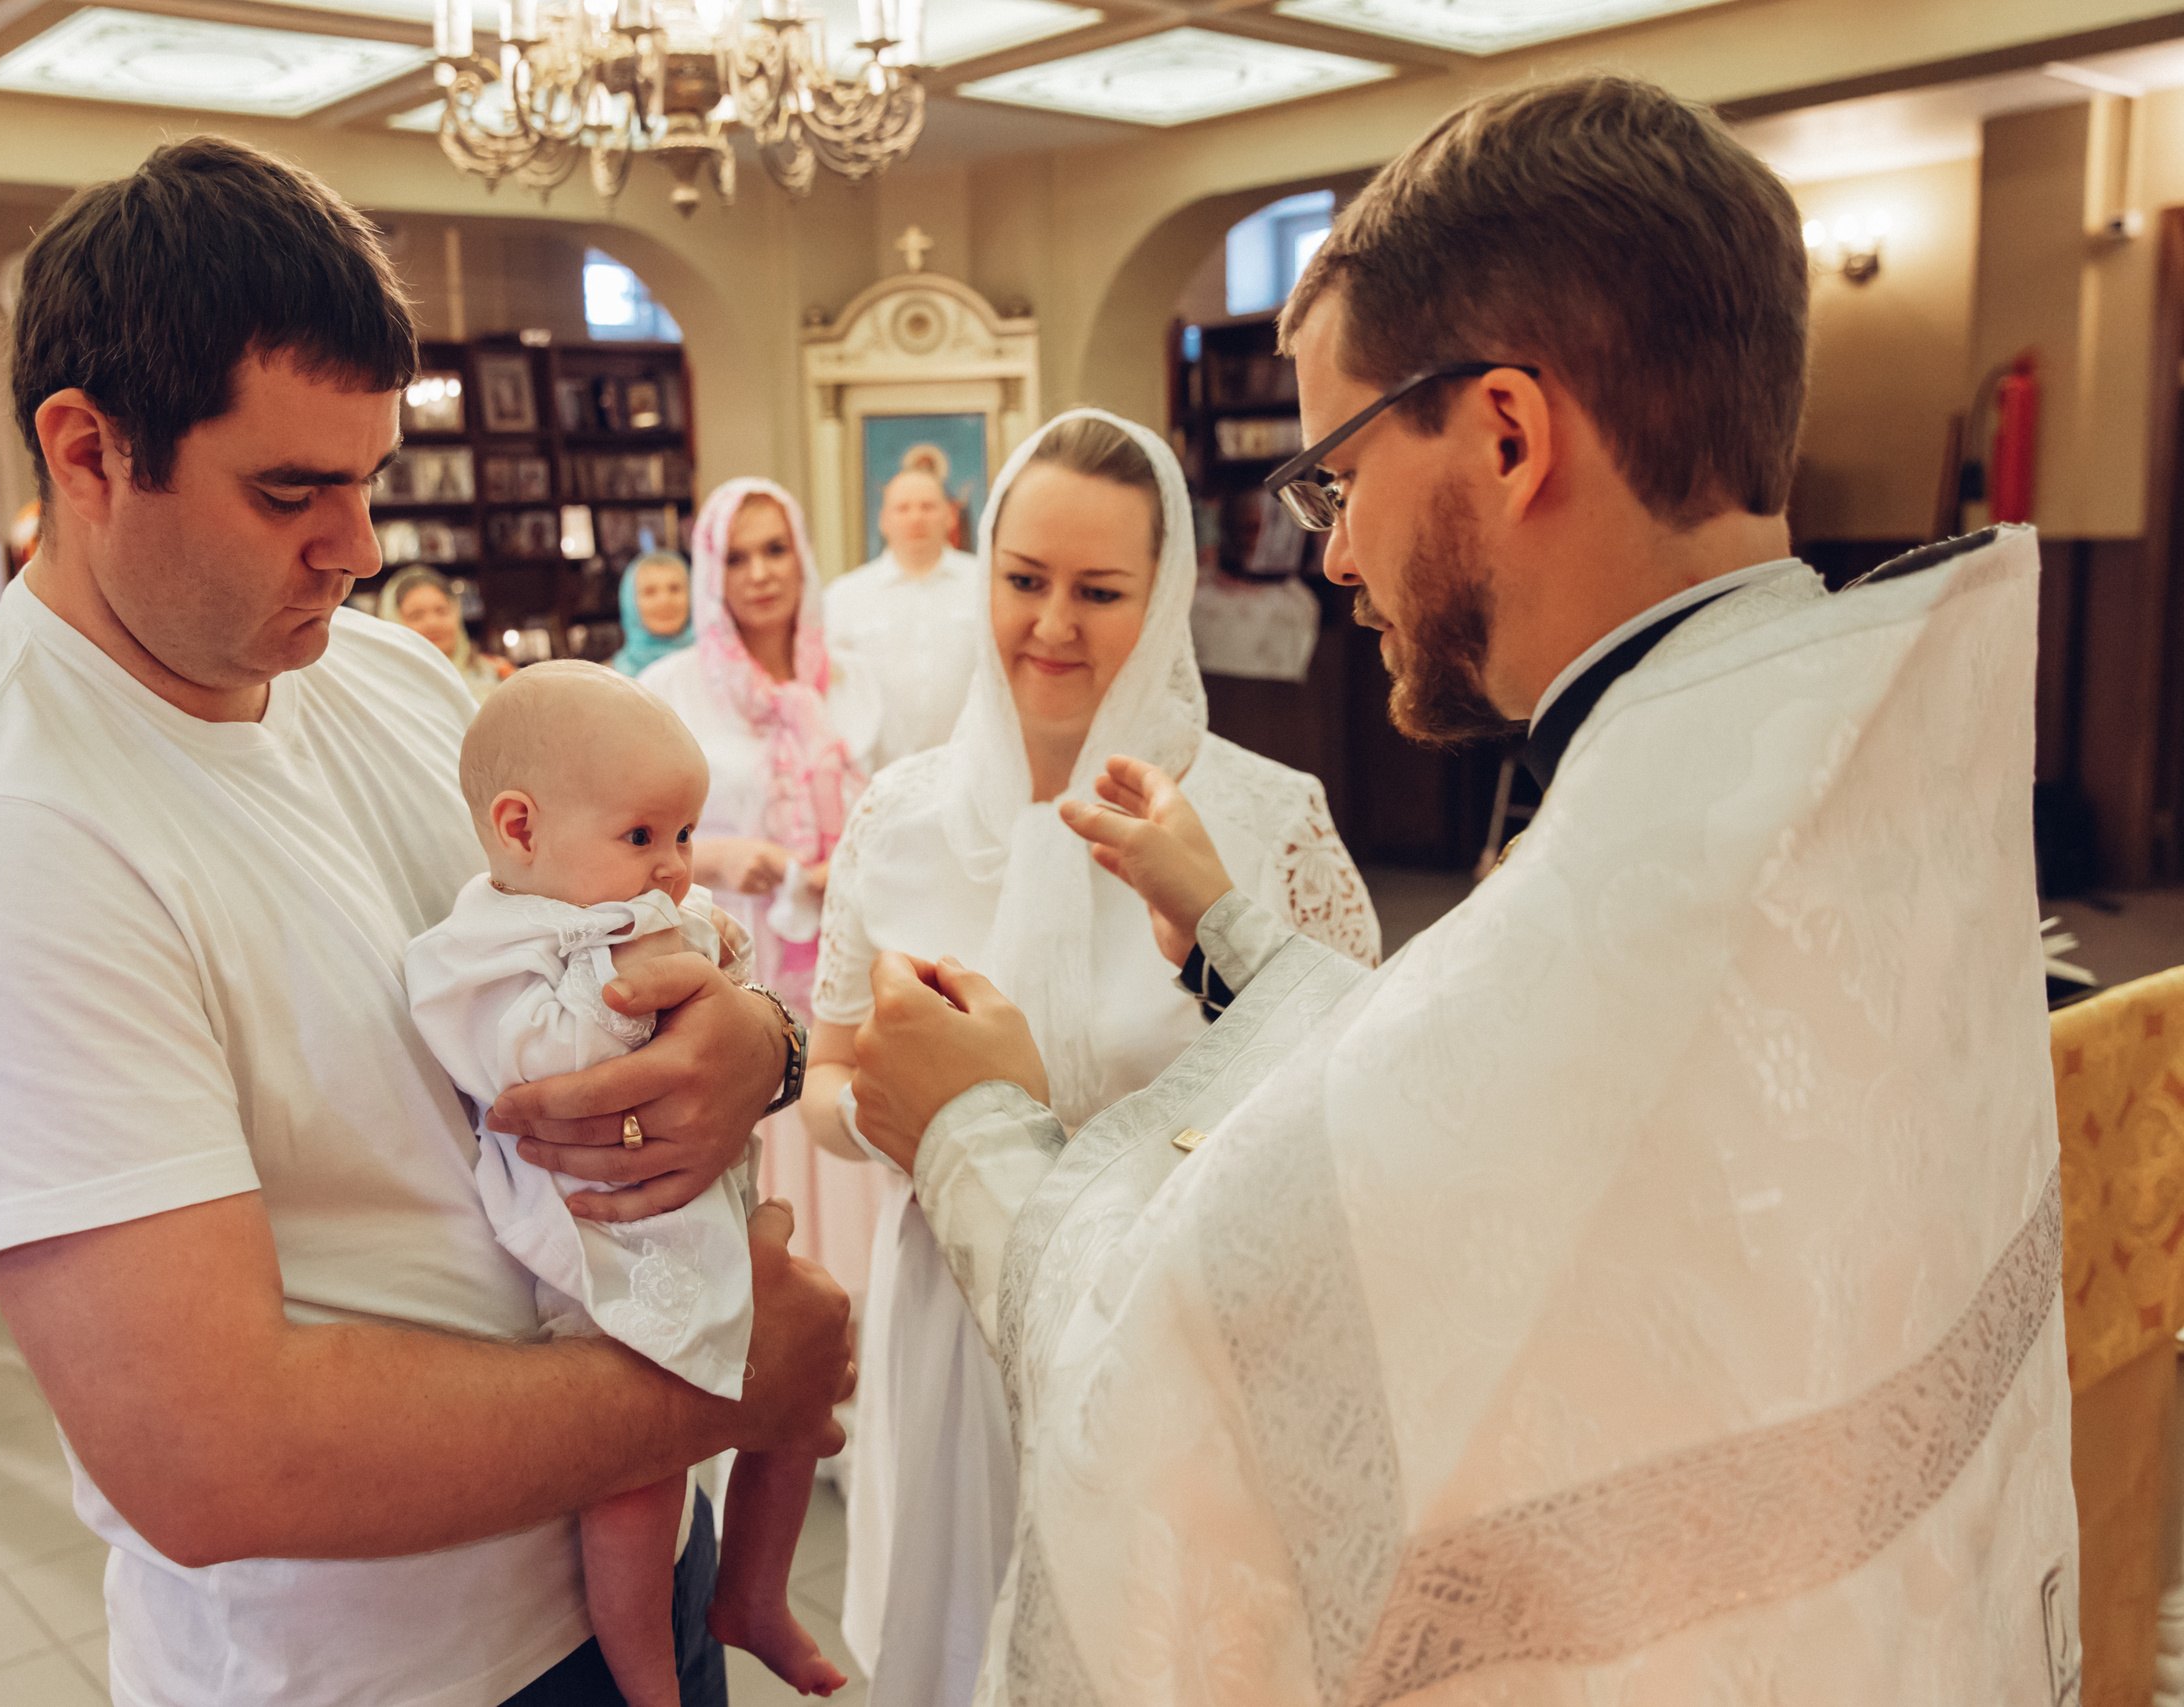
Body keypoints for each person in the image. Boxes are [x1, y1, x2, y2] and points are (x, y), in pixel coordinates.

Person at [848, 74, 2079, 1704]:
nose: (1336, 552)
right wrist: (1239, 940)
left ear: (1505, 432)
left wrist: (970, 1126)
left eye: (1341, 475)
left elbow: (1171, 1374)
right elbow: (1470, 1085)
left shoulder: (1643, 881)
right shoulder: (1827, 765)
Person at [0, 135, 850, 1707]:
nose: (360, 543)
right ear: (89, 450)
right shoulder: (6, 847)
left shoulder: (375, 672)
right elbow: (210, 1451)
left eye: (370, 475)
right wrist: (713, 1385)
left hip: (624, 1556)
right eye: (289, 489)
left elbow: (587, 944)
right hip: (387, 1668)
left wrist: (755, 1044)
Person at [800, 409, 1379, 1707]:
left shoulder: (1261, 819)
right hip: (952, 1325)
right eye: (1024, 579)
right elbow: (833, 1072)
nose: (1052, 624)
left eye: (1099, 590)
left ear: (1163, 593)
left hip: (1173, 1329)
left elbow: (1346, 1095)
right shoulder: (900, 816)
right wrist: (891, 1115)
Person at [406, 662, 845, 1706]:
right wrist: (653, 987)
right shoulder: (481, 949)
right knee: (637, 1478)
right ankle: (646, 1675)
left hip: (691, 1213)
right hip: (596, 1246)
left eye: (686, 838)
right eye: (644, 838)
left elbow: (724, 999)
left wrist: (719, 978)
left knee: (796, 1400)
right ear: (520, 829)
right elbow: (526, 1061)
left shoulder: (622, 909)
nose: (673, 869)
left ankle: (753, 1590)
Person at [639, 480, 881, 1300]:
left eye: (776, 549)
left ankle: (852, 1305)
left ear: (803, 557)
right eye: (736, 556)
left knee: (840, 1112)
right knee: (757, 1132)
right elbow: (618, 829)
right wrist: (714, 858)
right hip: (731, 949)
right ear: (710, 571)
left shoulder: (851, 681)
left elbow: (898, 806)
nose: (760, 573)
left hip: (842, 943)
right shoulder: (672, 689)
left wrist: (844, 858)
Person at [822, 468, 984, 770]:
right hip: (875, 775)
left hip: (970, 768)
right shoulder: (844, 596)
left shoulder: (986, 585)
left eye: (927, 506)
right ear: (883, 520)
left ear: (949, 516)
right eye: (903, 508)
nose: (916, 518)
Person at [379, 563, 511, 701]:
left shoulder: (499, 675)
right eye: (416, 615)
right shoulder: (384, 689)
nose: (433, 623)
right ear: (393, 622)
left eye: (441, 611)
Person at [610, 550, 694, 679]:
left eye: (674, 588)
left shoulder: (718, 666)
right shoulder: (610, 680)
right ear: (630, 602)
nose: (664, 601)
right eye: (650, 592)